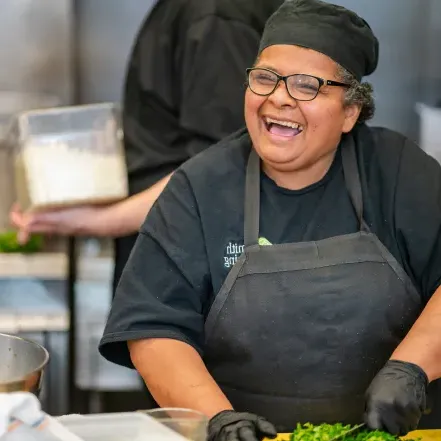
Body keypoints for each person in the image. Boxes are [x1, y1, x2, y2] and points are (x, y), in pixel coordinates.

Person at [98, 0, 441, 437]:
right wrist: (218, 420)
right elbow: (152, 328)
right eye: (265, 79)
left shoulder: (399, 172)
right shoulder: (199, 188)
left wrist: (412, 368)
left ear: (351, 111)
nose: (277, 98)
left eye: (307, 85)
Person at [10, 0, 284, 291]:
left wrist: (95, 221)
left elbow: (221, 172)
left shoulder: (215, 14)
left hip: (183, 266)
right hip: (169, 249)